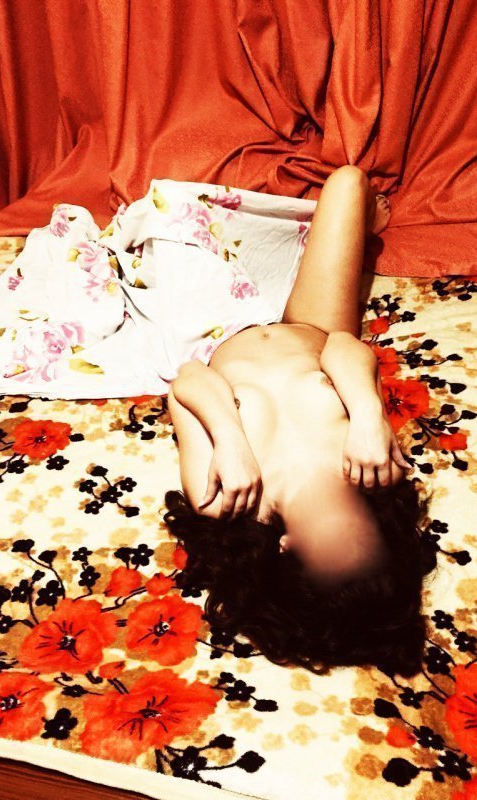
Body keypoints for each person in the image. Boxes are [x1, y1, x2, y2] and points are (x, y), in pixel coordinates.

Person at [164, 166, 436, 675]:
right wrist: (367, 414)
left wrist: (229, 437)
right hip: (314, 325)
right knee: (348, 181)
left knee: (169, 211)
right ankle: (350, 236)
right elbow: (342, 346)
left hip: (215, 332)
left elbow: (190, 378)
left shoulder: (226, 499)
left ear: (288, 549)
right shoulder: (370, 465)